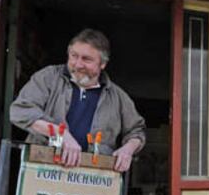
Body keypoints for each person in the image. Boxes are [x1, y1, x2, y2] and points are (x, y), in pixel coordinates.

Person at [10, 28, 145, 172]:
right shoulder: (48, 78)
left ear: (103, 64)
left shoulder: (118, 97)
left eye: (86, 59)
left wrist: (128, 150)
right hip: (44, 171)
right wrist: (60, 134)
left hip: (93, 179)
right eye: (74, 56)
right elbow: (19, 111)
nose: (78, 64)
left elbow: (136, 131)